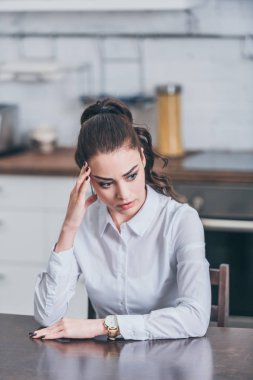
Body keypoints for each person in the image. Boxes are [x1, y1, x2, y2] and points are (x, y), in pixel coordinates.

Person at [31, 97, 211, 341]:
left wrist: (105, 326)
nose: (123, 194)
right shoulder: (83, 222)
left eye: (131, 175)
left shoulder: (181, 221)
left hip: (171, 362)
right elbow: (47, 317)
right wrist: (69, 226)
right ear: (87, 178)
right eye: (106, 183)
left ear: (142, 157)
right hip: (106, 363)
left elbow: (196, 319)